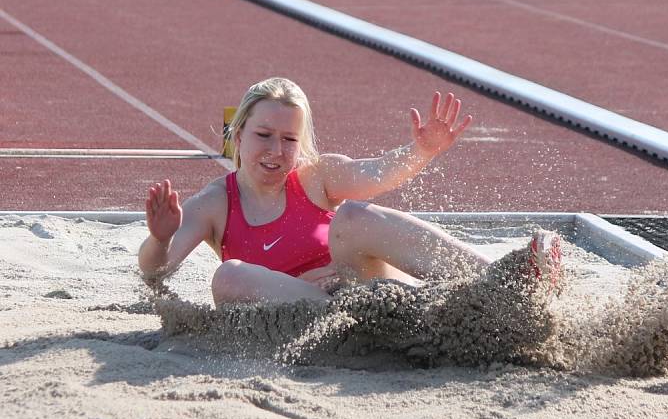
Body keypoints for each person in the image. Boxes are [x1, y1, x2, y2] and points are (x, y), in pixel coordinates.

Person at [138, 77, 561, 306]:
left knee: (354, 217)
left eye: (289, 140)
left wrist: (421, 150)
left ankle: (504, 280)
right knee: (228, 277)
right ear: (239, 134)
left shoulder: (318, 176)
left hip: (368, 292)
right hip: (308, 316)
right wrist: (160, 239)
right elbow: (156, 272)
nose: (275, 151)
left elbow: (378, 173)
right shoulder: (216, 202)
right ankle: (341, 314)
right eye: (264, 135)